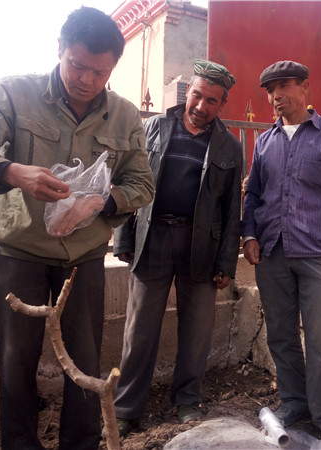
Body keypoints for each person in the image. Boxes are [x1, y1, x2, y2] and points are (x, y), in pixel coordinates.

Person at [0, 7, 154, 449]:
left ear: (112, 68)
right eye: (77, 65)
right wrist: (12, 171)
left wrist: (101, 201)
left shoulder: (124, 115)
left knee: (84, 361)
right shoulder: (15, 93)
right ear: (59, 49)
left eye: (100, 72)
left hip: (84, 259)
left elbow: (142, 183)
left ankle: (81, 443)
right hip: (19, 255)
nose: (87, 80)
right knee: (16, 362)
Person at [112, 59, 242, 436]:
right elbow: (128, 182)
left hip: (200, 245)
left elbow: (232, 210)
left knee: (197, 332)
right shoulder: (153, 128)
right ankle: (126, 408)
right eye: (197, 95)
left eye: (212, 100)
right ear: (189, 92)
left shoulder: (230, 146)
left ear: (222, 104)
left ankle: (187, 400)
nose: (201, 106)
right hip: (152, 238)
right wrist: (123, 238)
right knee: (139, 330)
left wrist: (226, 263)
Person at [241, 60, 321, 450]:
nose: (276, 96)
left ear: (304, 87)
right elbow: (253, 194)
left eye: (283, 86)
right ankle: (295, 402)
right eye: (270, 90)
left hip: (319, 254)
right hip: (273, 253)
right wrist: (249, 234)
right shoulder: (265, 142)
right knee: (281, 335)